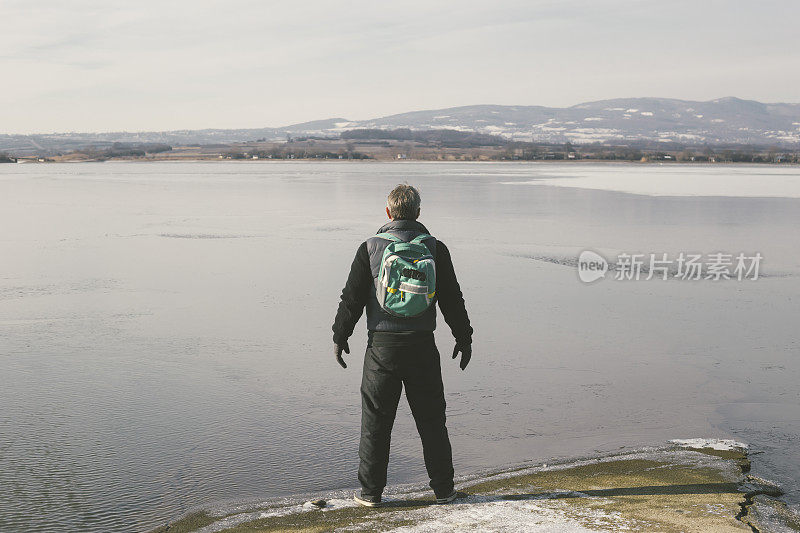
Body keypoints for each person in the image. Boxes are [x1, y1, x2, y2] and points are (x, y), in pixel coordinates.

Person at [332, 183, 473, 507]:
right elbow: (452, 299)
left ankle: (370, 494)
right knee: (432, 421)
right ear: (418, 213)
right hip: (423, 346)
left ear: (388, 212)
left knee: (376, 422)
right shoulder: (436, 248)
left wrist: (341, 337)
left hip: (381, 348)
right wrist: (463, 338)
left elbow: (351, 299)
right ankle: (444, 491)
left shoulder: (369, 248)